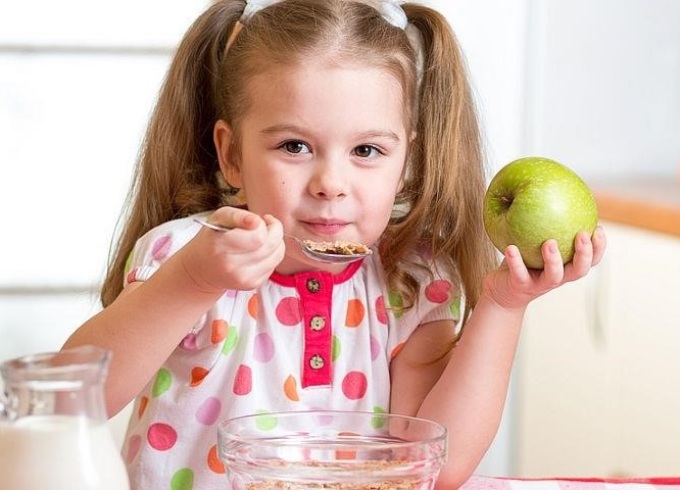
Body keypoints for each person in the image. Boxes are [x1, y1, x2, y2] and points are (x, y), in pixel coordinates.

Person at [62, 0, 606, 488]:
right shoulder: (189, 254)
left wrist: (504, 306)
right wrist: (194, 281)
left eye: (367, 151)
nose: (331, 182)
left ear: (405, 161)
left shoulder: (412, 282)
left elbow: (440, 464)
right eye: (295, 146)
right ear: (232, 156)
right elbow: (71, 406)